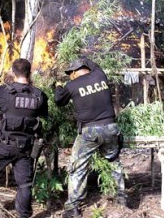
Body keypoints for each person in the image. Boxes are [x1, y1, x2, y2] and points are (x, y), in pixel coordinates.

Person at [0, 58, 48, 218]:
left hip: (3, 146)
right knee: (24, 184)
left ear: (12, 72)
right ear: (29, 72)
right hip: (26, 148)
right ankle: (24, 215)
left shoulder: (4, 92)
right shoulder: (40, 95)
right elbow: (44, 115)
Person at [54, 57, 126, 218]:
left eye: (69, 74)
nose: (69, 77)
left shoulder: (71, 85)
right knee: (113, 162)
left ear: (73, 72)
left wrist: (58, 87)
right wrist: (84, 57)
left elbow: (58, 101)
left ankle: (73, 207)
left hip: (89, 132)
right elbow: (96, 64)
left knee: (77, 167)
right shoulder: (100, 75)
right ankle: (121, 198)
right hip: (110, 127)